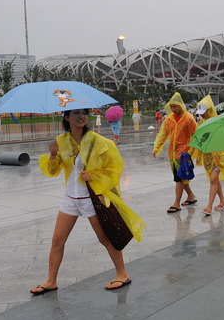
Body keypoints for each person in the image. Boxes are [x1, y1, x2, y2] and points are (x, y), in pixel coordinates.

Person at [30, 108, 145, 295]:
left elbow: (115, 168)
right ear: (66, 117)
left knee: (105, 238)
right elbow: (52, 171)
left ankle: (122, 273)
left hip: (91, 198)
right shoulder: (61, 141)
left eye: (83, 113)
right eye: (75, 113)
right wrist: (52, 155)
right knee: (57, 240)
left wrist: (94, 175)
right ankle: (51, 280)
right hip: (70, 198)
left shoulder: (98, 142)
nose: (81, 116)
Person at [152, 92, 199, 213]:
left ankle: (176, 203)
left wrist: (191, 151)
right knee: (181, 177)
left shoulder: (189, 119)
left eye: (175, 106)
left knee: (179, 178)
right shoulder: (169, 119)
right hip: (172, 153)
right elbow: (163, 133)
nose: (173, 109)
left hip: (183, 154)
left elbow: (196, 135)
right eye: (171, 107)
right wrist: (156, 147)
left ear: (181, 105)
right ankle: (191, 196)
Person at [192, 96, 224, 216]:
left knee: (213, 180)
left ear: (210, 109)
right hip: (208, 157)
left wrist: (222, 158)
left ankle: (209, 206)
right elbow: (198, 139)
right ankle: (222, 201)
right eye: (200, 113)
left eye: (204, 112)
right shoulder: (201, 123)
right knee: (214, 180)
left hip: (219, 156)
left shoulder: (219, 122)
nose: (202, 115)